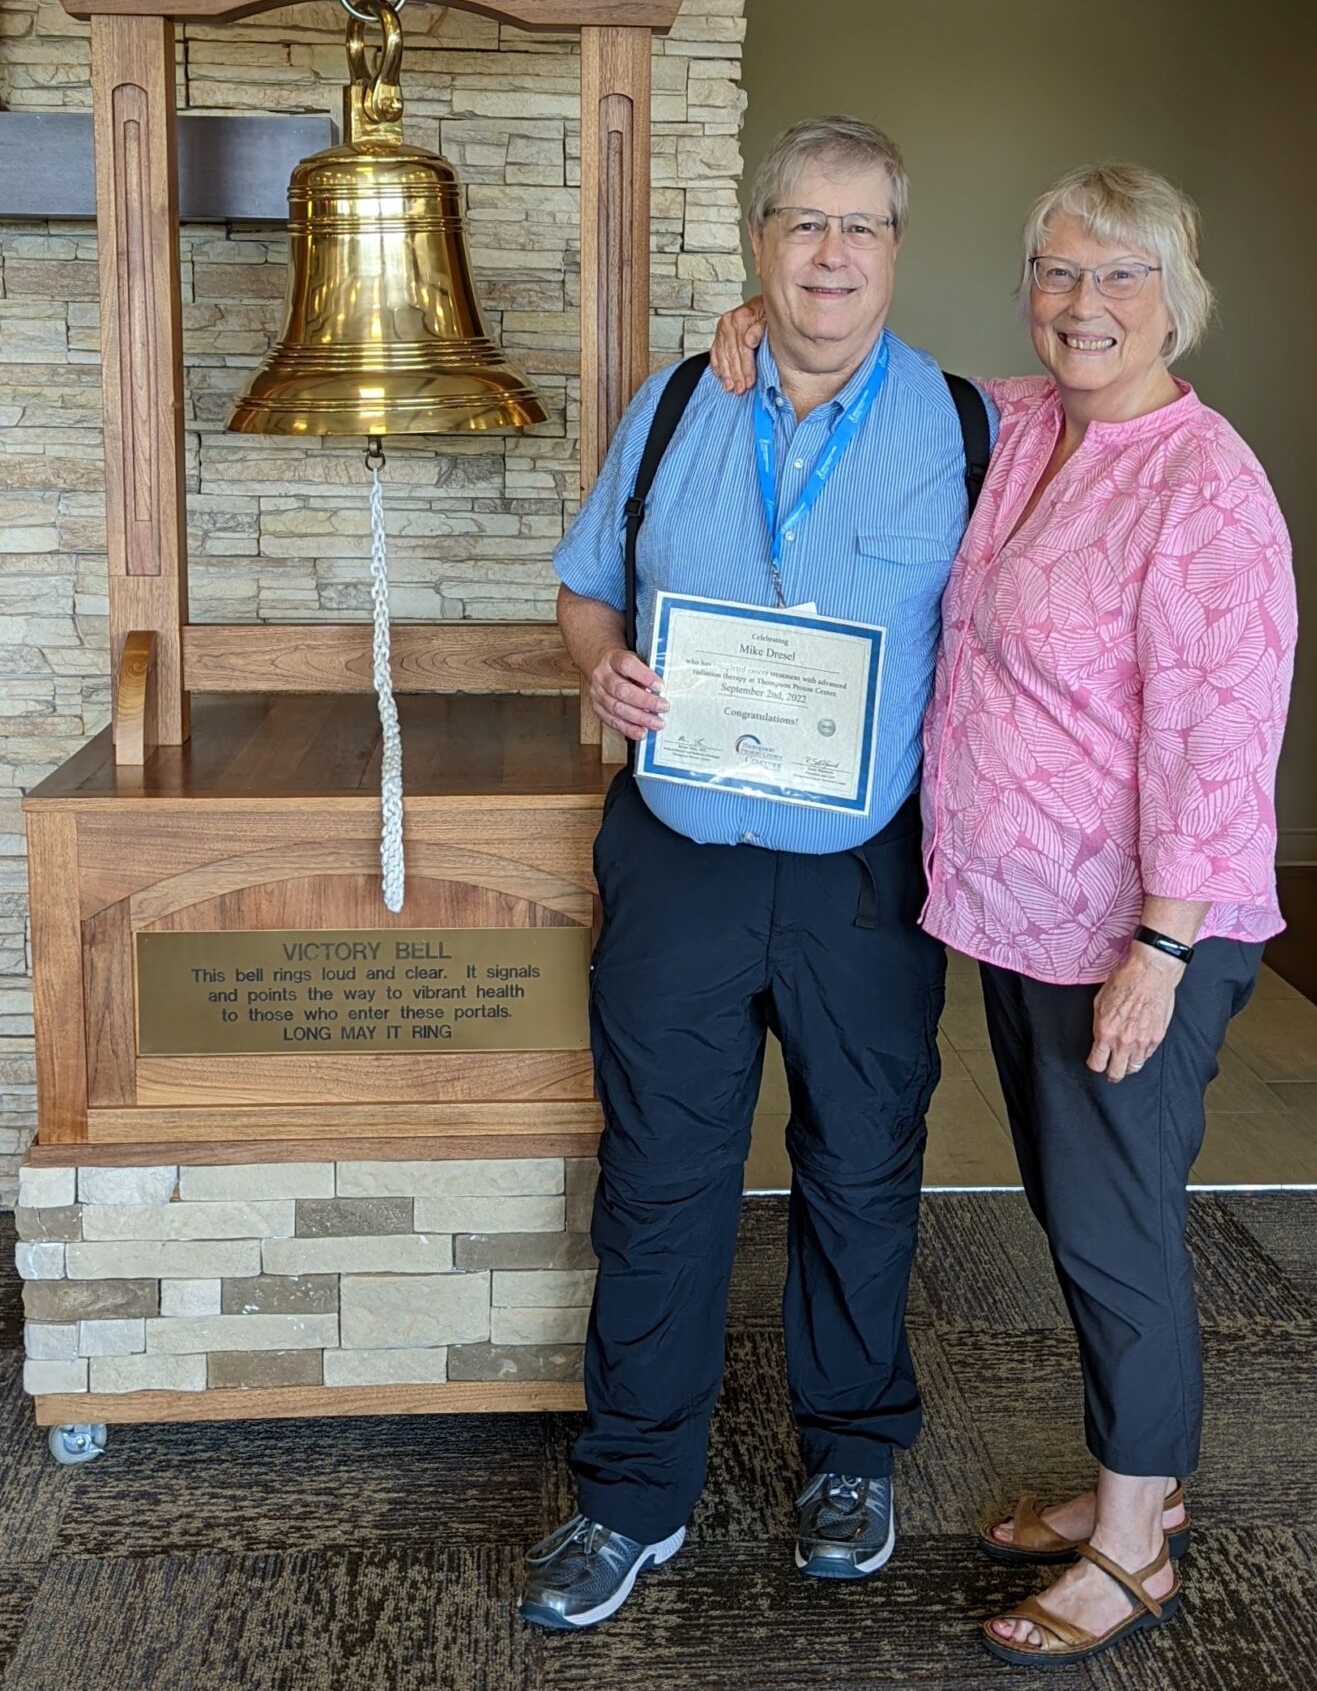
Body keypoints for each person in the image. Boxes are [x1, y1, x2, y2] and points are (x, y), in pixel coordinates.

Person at [709, 160, 1297, 1668]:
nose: (1081, 304)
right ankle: (1136, 1489)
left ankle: (1130, 1544)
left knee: (1115, 1230)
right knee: (1073, 1207)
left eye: (1118, 276)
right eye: (1055, 272)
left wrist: (1162, 950)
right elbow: (872, 379)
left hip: (1139, 932)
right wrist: (758, 327)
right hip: (1030, 916)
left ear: (1178, 296)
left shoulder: (1206, 485)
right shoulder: (1018, 423)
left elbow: (1215, 741)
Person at [518, 116, 996, 1632]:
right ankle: (630, 1494)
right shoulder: (675, 405)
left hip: (865, 874)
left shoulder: (982, 428)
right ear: (761, 244)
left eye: (861, 228)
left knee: (862, 1167)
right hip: (681, 860)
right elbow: (586, 594)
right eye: (803, 225)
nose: (831, 256)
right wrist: (605, 676)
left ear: (897, 250)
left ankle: (853, 1457)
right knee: (662, 1179)